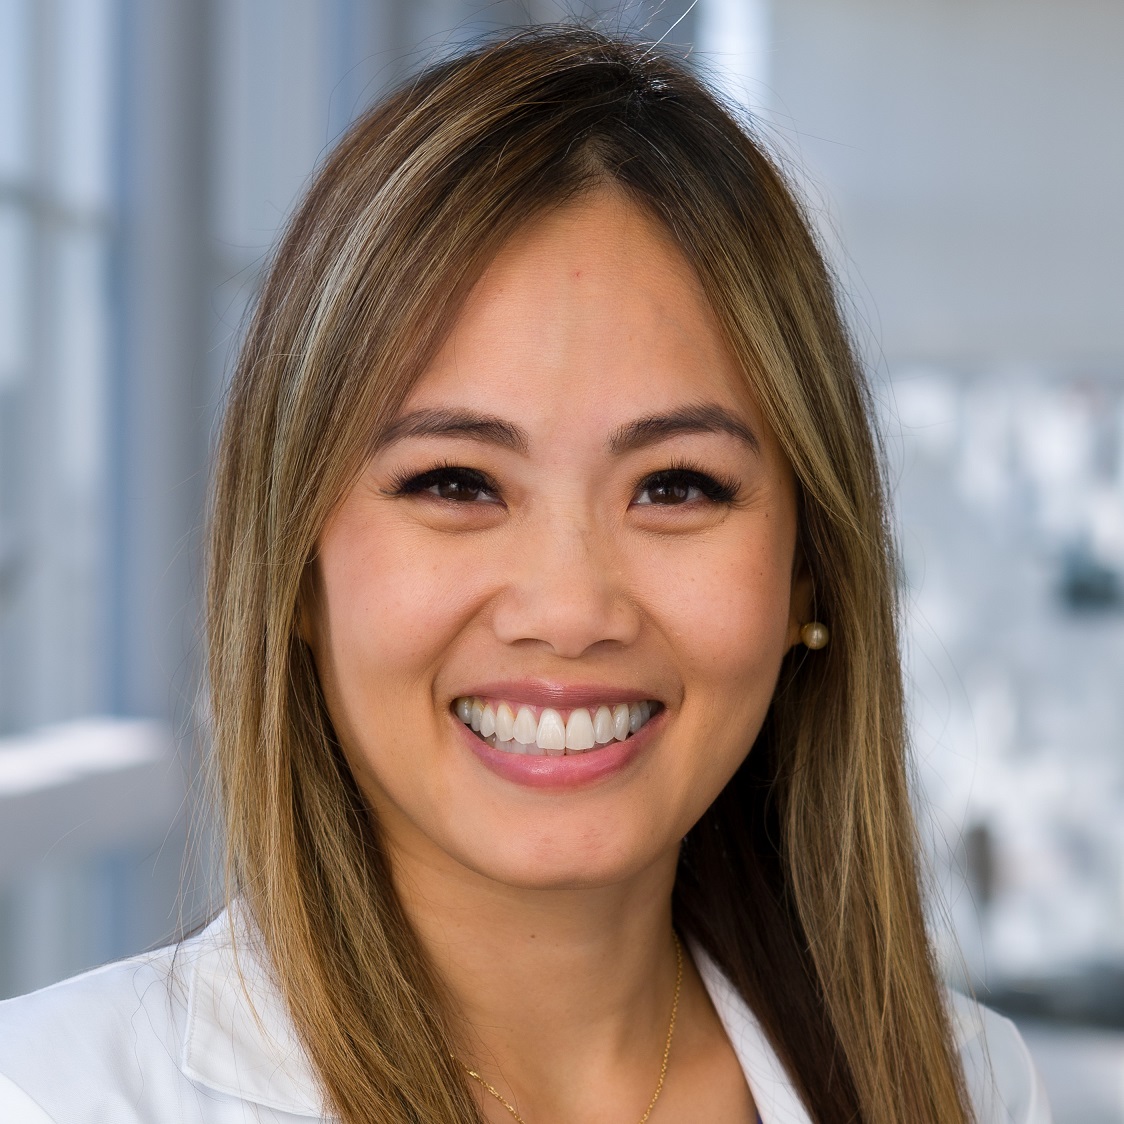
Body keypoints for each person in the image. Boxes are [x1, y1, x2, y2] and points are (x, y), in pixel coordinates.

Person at [0, 26, 1050, 1124]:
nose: (569, 609)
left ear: (808, 577)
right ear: (297, 569)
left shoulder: (971, 1087)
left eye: (676, 485)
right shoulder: (52, 1097)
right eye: (455, 481)